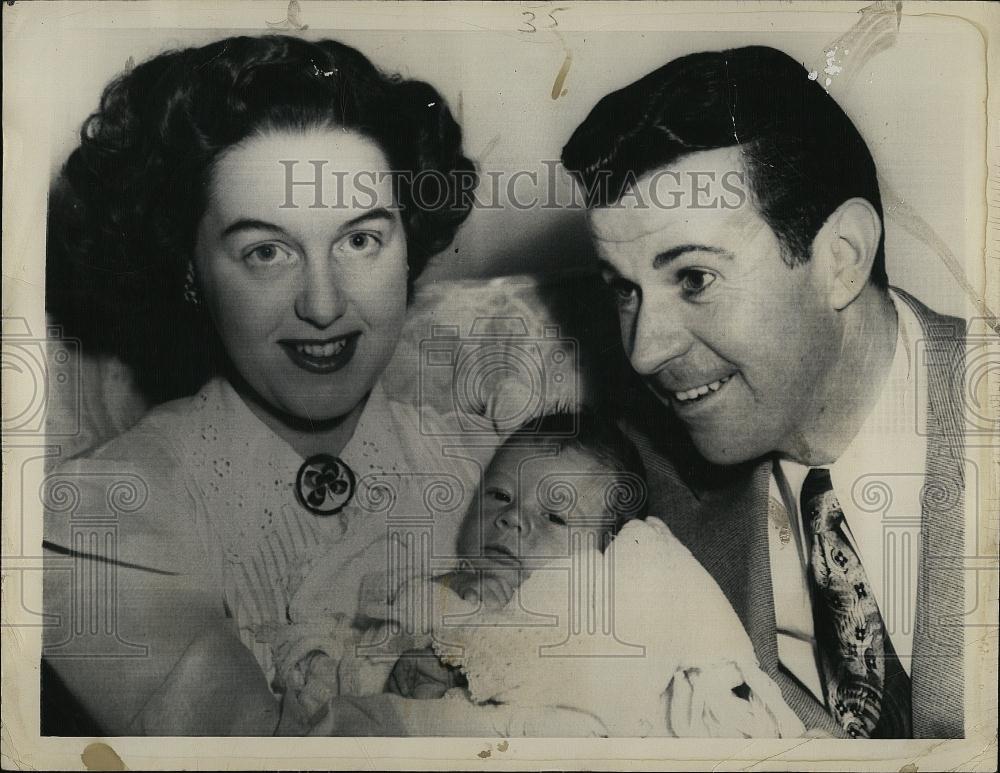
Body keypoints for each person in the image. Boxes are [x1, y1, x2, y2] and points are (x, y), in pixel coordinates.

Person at [41, 33, 479, 736]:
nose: (325, 304)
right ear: (189, 268)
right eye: (266, 251)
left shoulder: (490, 463)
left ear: (408, 242)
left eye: (360, 239)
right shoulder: (97, 520)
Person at [560, 45, 966, 739]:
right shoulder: (635, 499)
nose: (643, 349)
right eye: (624, 290)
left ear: (839, 259)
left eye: (694, 278)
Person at [270, 411, 805, 738]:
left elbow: (612, 691)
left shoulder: (593, 596)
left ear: (605, 551)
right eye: (500, 495)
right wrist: (392, 666)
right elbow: (354, 661)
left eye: (554, 516)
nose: (510, 518)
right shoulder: (427, 591)